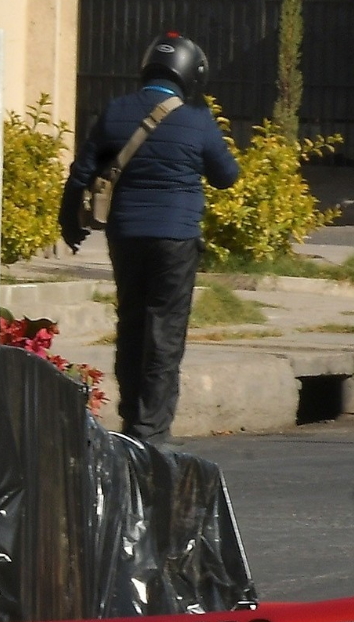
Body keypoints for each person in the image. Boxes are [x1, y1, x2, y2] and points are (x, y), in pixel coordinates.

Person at [60, 31, 239, 446]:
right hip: (175, 238)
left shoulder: (116, 111)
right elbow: (227, 177)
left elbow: (81, 172)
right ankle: (151, 430)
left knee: (133, 322)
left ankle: (130, 420)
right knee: (165, 330)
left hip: (126, 236)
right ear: (190, 74)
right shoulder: (197, 119)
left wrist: (69, 223)